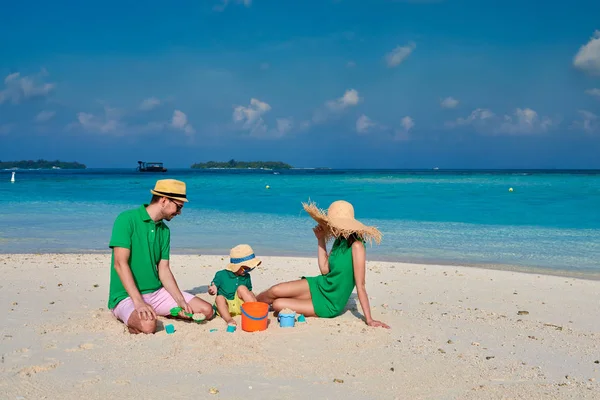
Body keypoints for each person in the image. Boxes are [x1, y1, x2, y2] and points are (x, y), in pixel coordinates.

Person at [256, 200, 390, 329]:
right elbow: (325, 270)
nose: (330, 227)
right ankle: (249, 303)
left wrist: (369, 319)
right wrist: (320, 240)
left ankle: (255, 304)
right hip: (321, 285)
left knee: (278, 304)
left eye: (332, 224)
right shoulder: (339, 241)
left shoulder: (357, 246)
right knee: (275, 290)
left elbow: (360, 285)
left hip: (331, 302)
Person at [108, 179, 214, 334]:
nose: (179, 212)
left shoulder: (165, 231)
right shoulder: (126, 219)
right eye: (178, 207)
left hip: (157, 293)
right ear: (164, 200)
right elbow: (120, 263)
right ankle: (132, 313)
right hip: (126, 295)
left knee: (206, 311)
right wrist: (138, 302)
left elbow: (163, 269)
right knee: (148, 326)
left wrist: (180, 301)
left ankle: (159, 310)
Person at [208, 244, 260, 326]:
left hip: (241, 306)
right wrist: (213, 289)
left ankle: (255, 311)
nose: (247, 271)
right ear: (236, 266)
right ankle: (229, 319)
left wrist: (253, 299)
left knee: (242, 288)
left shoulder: (246, 276)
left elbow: (249, 291)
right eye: (245, 269)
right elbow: (214, 285)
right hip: (226, 307)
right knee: (219, 298)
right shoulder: (221, 274)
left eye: (249, 269)